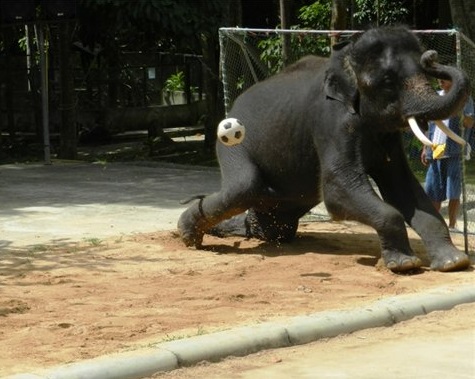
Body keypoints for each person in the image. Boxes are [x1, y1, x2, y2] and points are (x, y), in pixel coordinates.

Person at [421, 78, 474, 230]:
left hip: (454, 151)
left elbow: (469, 122)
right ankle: (435, 225)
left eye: (444, 79)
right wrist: (425, 147)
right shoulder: (435, 97)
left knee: (454, 190)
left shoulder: (463, 98)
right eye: (438, 79)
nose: (440, 81)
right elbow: (428, 123)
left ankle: (451, 225)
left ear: (452, 80)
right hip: (435, 149)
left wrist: (456, 110)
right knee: (433, 189)